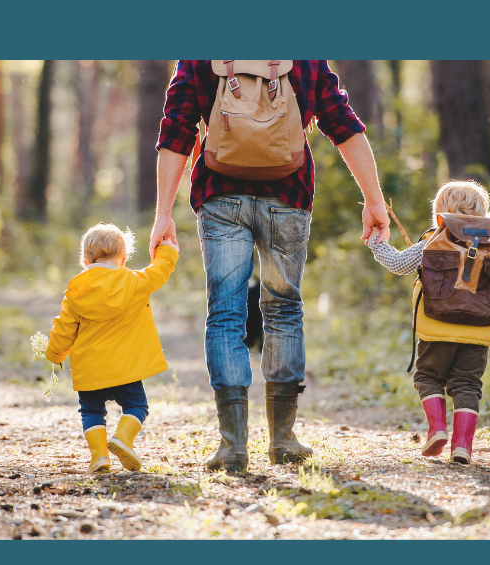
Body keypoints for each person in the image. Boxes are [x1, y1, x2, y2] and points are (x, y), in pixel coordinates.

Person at [149, 60, 391, 472]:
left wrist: (163, 213)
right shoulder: (306, 56)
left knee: (225, 314)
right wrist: (374, 200)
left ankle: (232, 446)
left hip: (220, 197)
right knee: (283, 308)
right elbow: (343, 124)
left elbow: (176, 129)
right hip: (288, 196)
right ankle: (283, 439)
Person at [366, 181, 490, 464]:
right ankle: (462, 447)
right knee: (468, 385)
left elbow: (397, 265)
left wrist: (375, 242)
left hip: (437, 328)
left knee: (428, 377)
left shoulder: (433, 241)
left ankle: (437, 429)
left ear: (440, 214)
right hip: (478, 333)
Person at [45, 223, 179, 473]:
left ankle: (99, 457)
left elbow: (64, 328)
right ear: (123, 259)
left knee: (92, 411)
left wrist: (55, 353)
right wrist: (168, 250)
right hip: (125, 369)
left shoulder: (76, 291)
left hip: (90, 369)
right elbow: (159, 271)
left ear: (84, 260)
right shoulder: (134, 282)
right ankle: (123, 439)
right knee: (137, 406)